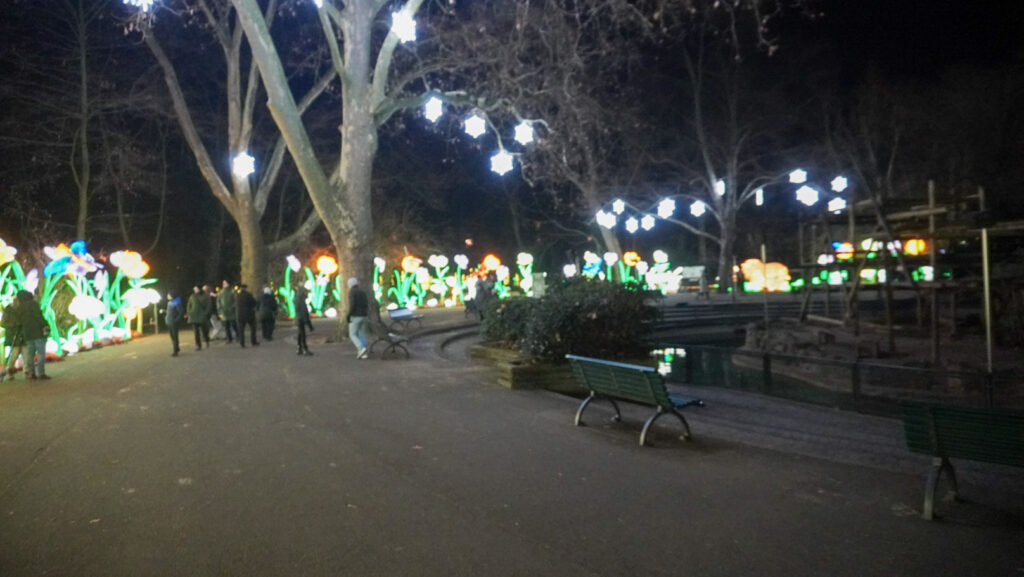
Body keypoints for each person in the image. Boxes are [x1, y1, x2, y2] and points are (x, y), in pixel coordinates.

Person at [14, 290, 49, 380]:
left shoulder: (19, 307)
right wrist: (45, 324)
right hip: (37, 331)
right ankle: (41, 373)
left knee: (30, 354)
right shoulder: (33, 304)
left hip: (27, 333)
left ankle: (31, 373)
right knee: (41, 353)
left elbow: (19, 321)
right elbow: (38, 316)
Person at [2, 292, 25, 381]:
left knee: (26, 354)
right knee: (14, 355)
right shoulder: (8, 310)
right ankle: (9, 371)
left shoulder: (22, 310)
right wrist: (14, 325)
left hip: (22, 335)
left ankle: (28, 371)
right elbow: (4, 323)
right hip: (13, 336)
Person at [346, 277, 369, 359]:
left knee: (352, 334)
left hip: (355, 315)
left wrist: (348, 315)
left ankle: (360, 348)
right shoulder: (362, 291)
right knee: (362, 333)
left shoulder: (352, 292)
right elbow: (366, 303)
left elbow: (352, 305)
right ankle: (364, 352)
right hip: (364, 315)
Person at [186, 285, 210, 350]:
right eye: (194, 289)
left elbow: (208, 305)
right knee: (196, 332)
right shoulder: (192, 296)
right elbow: (189, 304)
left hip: (202, 316)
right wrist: (189, 312)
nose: (195, 290)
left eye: (196, 289)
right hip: (193, 316)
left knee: (204, 330)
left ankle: (207, 340)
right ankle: (198, 345)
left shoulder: (205, 296)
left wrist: (205, 313)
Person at [293, 285, 313, 356]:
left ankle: (299, 348)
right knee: (302, 334)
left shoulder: (297, 299)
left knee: (300, 333)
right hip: (301, 319)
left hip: (299, 318)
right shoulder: (301, 301)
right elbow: (304, 312)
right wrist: (308, 323)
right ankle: (304, 348)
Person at [165, 291, 184, 357]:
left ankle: (175, 350)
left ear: (172, 296)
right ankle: (177, 348)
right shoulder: (169, 303)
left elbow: (181, 312)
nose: (167, 296)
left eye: (168, 295)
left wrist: (176, 320)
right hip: (169, 321)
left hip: (173, 322)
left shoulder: (177, 303)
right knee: (172, 336)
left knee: (175, 336)